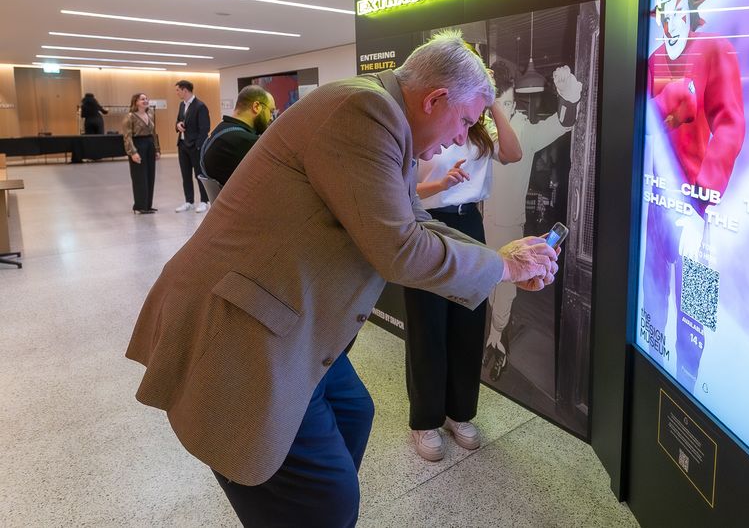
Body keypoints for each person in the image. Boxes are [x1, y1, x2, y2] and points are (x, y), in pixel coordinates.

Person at [125, 30, 558, 528]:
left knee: (353, 414)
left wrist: (494, 257)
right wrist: (504, 267)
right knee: (325, 498)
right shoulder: (365, 112)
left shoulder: (381, 116)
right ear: (435, 98)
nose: (462, 138)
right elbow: (401, 250)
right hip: (243, 323)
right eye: (463, 120)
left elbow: (415, 220)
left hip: (284, 312)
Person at [404, 74, 523, 462]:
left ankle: (460, 413)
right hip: (425, 222)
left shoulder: (477, 131)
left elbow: (514, 153)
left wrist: (493, 107)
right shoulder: (422, 127)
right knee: (428, 325)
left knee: (468, 322)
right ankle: (425, 420)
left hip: (469, 222)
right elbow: (400, 191)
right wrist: (439, 185)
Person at [643, 0, 745, 389]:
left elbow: (732, 123)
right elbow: (649, 126)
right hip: (656, 201)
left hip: (699, 209)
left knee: (696, 308)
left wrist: (703, 195)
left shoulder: (715, 48)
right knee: (652, 293)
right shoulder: (652, 60)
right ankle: (651, 369)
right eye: (664, 12)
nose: (670, 20)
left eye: (677, 9)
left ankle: (689, 383)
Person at [481, 58, 582, 381]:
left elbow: (561, 123)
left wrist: (569, 99)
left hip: (510, 225)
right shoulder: (479, 129)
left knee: (506, 289)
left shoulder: (523, 131)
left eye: (510, 103)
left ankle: (498, 340)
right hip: (479, 222)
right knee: (486, 284)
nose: (506, 110)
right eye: (500, 104)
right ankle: (492, 335)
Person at [199, 85, 276, 187]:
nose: (271, 118)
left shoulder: (220, 130)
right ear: (256, 107)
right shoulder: (245, 141)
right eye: (271, 111)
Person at [173, 79, 211, 214]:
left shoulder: (200, 106)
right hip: (182, 145)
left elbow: (205, 128)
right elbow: (178, 120)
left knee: (199, 174)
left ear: (185, 90)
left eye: (178, 90)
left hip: (195, 146)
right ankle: (189, 201)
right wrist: (178, 125)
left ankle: (204, 201)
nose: (176, 93)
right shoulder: (182, 105)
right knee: (185, 174)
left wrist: (198, 146)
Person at [121, 92, 161, 215]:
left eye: (146, 99)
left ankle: (148, 205)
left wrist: (157, 149)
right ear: (136, 102)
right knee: (139, 176)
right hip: (138, 145)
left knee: (150, 175)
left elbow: (154, 133)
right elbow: (127, 137)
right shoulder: (130, 117)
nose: (145, 101)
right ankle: (139, 206)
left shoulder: (150, 113)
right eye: (142, 99)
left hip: (149, 144)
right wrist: (133, 152)